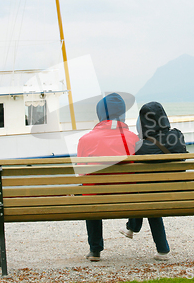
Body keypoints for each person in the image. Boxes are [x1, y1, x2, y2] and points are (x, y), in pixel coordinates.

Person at [119, 101, 188, 261]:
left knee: (147, 192)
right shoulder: (177, 136)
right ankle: (154, 244)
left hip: (153, 196)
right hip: (180, 192)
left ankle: (133, 227)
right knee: (150, 191)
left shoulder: (141, 147)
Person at [77, 93, 139, 262]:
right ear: (122, 114)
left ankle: (95, 249)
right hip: (128, 198)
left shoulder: (85, 140)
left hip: (97, 199)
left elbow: (82, 174)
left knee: (89, 191)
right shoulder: (134, 139)